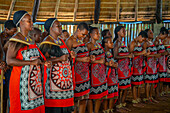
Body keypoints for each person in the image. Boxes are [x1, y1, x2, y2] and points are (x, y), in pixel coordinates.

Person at [6, 10, 45, 113]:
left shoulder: (30, 39)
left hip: (33, 83)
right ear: (21, 22)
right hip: (21, 83)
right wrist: (31, 63)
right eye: (29, 21)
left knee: (35, 108)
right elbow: (9, 61)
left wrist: (42, 62)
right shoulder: (16, 40)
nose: (32, 23)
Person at [39, 18, 75, 113]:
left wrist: (71, 56)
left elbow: (65, 57)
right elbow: (43, 60)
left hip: (64, 83)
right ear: (51, 28)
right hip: (53, 83)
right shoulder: (46, 43)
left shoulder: (61, 41)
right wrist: (59, 59)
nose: (60, 27)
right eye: (58, 26)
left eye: (60, 25)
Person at [66, 22, 91, 113]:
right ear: (78, 30)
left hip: (85, 73)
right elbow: (67, 57)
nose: (84, 36)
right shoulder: (70, 41)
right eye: (83, 34)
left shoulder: (81, 41)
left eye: (85, 35)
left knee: (84, 98)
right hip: (76, 74)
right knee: (76, 99)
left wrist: (89, 57)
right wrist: (81, 59)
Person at [87, 27, 108, 113]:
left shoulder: (99, 45)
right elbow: (86, 60)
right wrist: (98, 61)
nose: (98, 35)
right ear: (91, 35)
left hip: (101, 73)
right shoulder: (88, 45)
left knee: (100, 95)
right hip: (93, 74)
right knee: (91, 96)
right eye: (96, 33)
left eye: (98, 33)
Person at [113, 26, 133, 112]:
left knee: (126, 87)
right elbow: (115, 56)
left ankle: (123, 103)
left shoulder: (123, 42)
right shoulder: (116, 43)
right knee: (121, 88)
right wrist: (127, 56)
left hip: (125, 68)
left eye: (125, 30)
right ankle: (118, 105)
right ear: (118, 32)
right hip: (120, 68)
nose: (125, 32)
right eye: (123, 31)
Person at [129, 31, 150, 107]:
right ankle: (134, 100)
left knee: (139, 83)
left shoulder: (138, 44)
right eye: (143, 39)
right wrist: (141, 53)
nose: (143, 41)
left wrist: (145, 54)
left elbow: (139, 53)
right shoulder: (132, 43)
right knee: (134, 84)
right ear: (140, 36)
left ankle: (137, 98)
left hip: (139, 66)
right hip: (134, 66)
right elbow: (131, 54)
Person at [0, 20, 17, 113]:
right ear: (6, 29)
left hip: (10, 68)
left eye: (15, 31)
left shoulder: (14, 38)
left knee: (10, 93)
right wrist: (2, 63)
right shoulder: (1, 38)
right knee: (4, 94)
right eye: (13, 31)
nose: (14, 33)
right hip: (3, 69)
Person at [143, 29, 160, 103]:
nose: (152, 34)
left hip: (153, 64)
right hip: (148, 65)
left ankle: (150, 96)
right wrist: (154, 55)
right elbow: (144, 54)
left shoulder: (152, 42)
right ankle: (147, 97)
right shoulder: (145, 43)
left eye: (152, 32)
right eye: (150, 33)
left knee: (152, 81)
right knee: (148, 82)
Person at [102, 36, 118, 113]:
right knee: (107, 93)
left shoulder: (109, 52)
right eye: (110, 42)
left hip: (113, 75)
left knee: (112, 92)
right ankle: (105, 109)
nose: (112, 43)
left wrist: (115, 64)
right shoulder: (103, 52)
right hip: (107, 75)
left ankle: (110, 108)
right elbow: (104, 63)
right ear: (105, 44)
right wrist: (109, 64)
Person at [154, 27, 168, 98]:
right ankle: (157, 93)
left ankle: (160, 92)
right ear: (162, 34)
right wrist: (163, 54)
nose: (165, 38)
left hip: (162, 62)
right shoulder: (156, 41)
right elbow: (155, 53)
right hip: (158, 63)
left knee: (162, 78)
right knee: (159, 79)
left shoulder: (160, 41)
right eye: (164, 36)